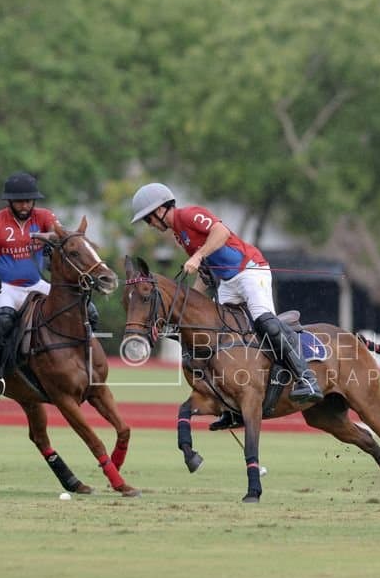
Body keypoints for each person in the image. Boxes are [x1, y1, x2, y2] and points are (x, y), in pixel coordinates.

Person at [130, 182, 324, 425]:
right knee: (215, 331)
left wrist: (197, 256)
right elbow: (204, 273)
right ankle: (231, 407)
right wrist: (184, 306)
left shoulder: (188, 215)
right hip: (228, 282)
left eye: (148, 218)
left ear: (160, 210)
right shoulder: (179, 235)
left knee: (264, 321)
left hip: (250, 270)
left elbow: (220, 232)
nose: (149, 224)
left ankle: (306, 377)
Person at [0, 172, 100, 398]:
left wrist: (50, 243)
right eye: (19, 201)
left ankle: (84, 359)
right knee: (5, 320)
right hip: (5, 287)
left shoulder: (44, 216)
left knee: (89, 311)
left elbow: (62, 236)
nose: (25, 205)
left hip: (36, 284)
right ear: (9, 201)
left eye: (29, 200)